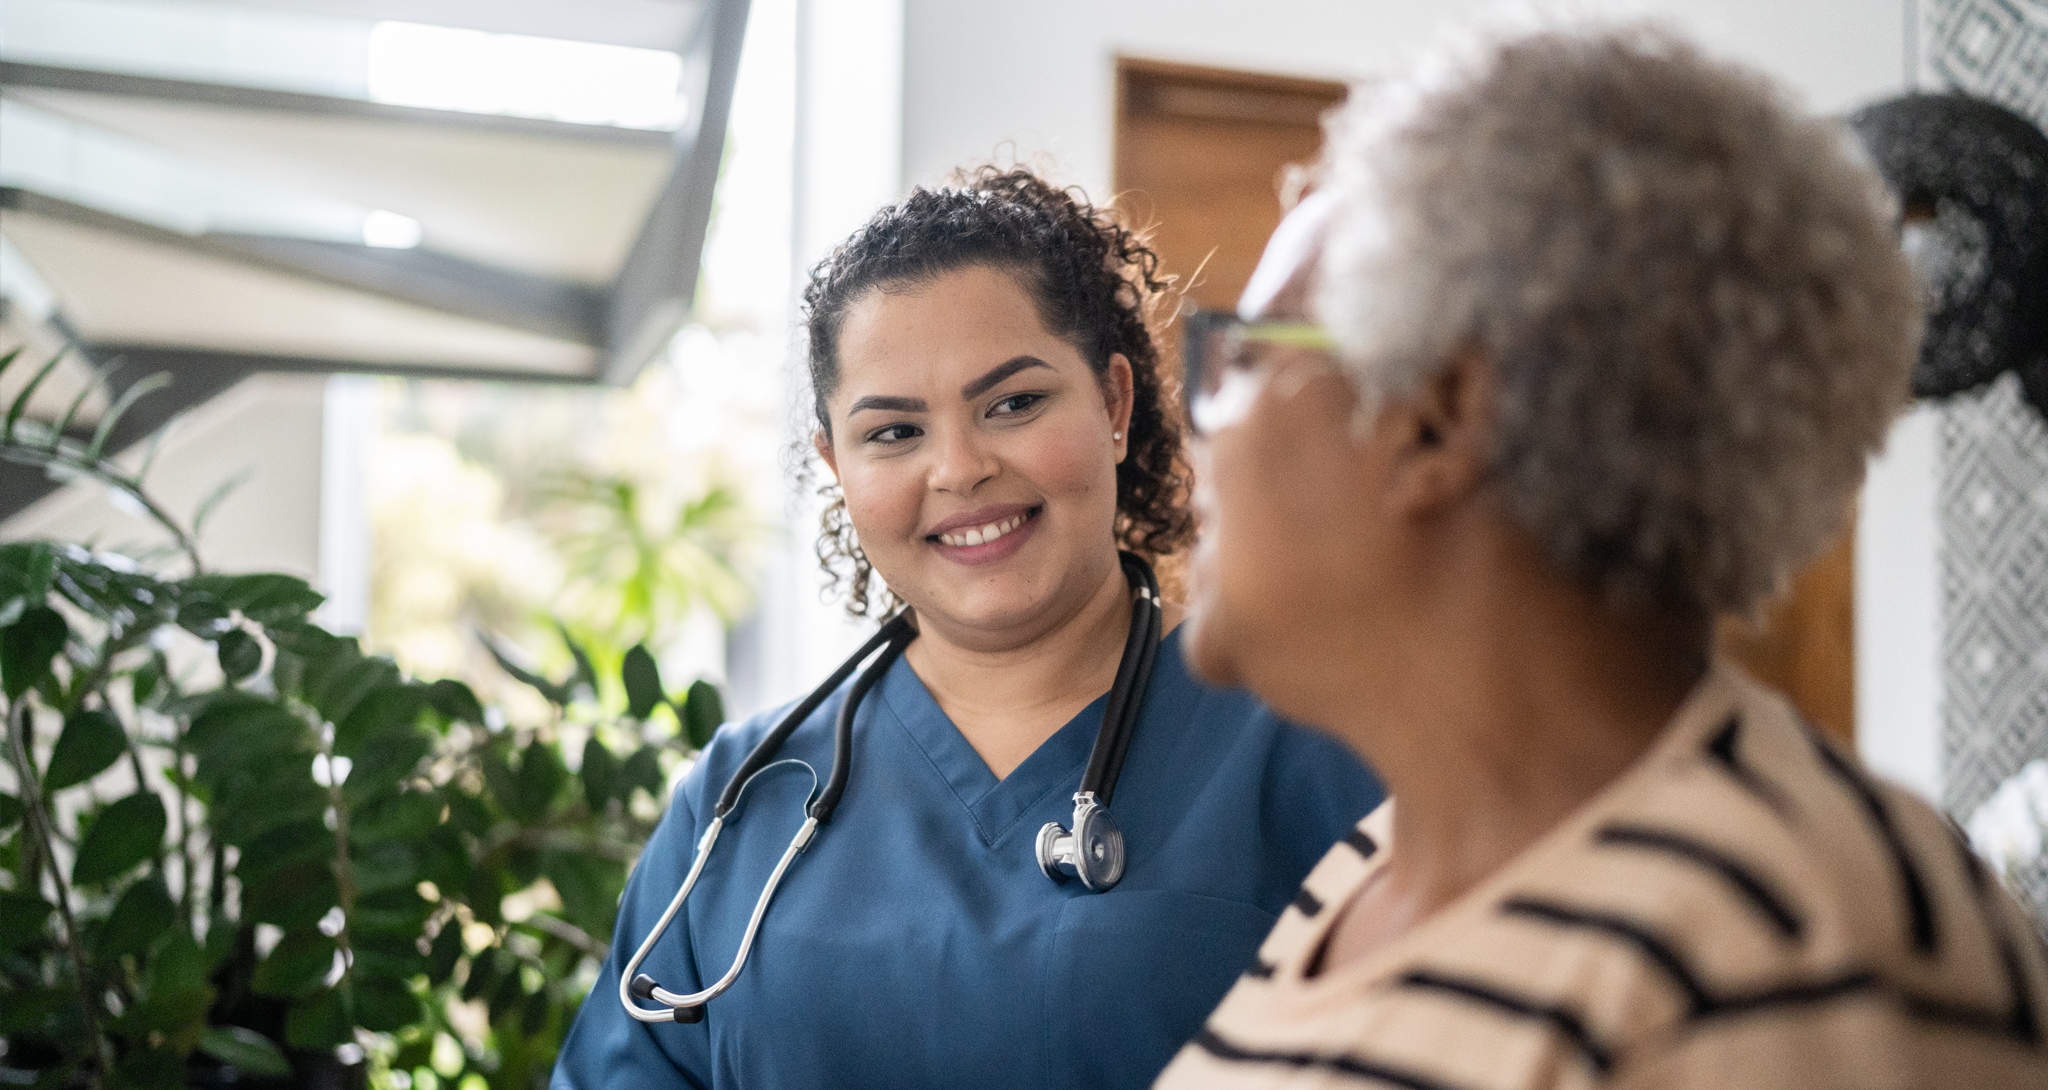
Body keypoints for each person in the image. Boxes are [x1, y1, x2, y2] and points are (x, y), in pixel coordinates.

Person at [1154, 20, 2048, 1090]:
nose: (1194, 424)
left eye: (1242, 358)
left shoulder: (1777, 940)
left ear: (1430, 419)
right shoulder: (1361, 872)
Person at [553, 167, 1384, 1090]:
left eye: (1014, 404)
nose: (958, 468)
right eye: (894, 434)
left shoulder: (1312, 745)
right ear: (835, 462)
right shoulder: (743, 799)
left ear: (1113, 404)